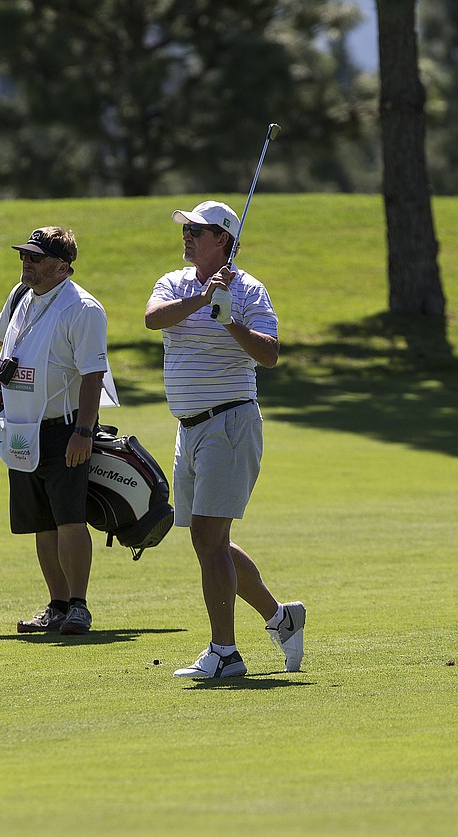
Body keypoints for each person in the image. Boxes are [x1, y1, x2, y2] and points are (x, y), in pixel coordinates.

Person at [144, 200, 305, 678]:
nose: (188, 236)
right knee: (206, 539)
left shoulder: (251, 290)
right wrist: (201, 300)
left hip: (230, 423)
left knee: (210, 539)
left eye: (199, 230)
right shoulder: (174, 282)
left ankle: (225, 653)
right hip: (188, 427)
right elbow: (153, 318)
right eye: (186, 229)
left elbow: (270, 355)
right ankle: (281, 618)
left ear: (224, 240)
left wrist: (229, 319)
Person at [0, 226, 117, 636]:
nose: (27, 262)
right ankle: (56, 605)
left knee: (69, 520)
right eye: (24, 255)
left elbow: (93, 376)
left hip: (64, 429)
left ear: (62, 268)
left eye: (35, 258)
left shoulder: (83, 309)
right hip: (21, 428)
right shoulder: (21, 295)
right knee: (40, 522)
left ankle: (78, 606)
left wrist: (84, 432)